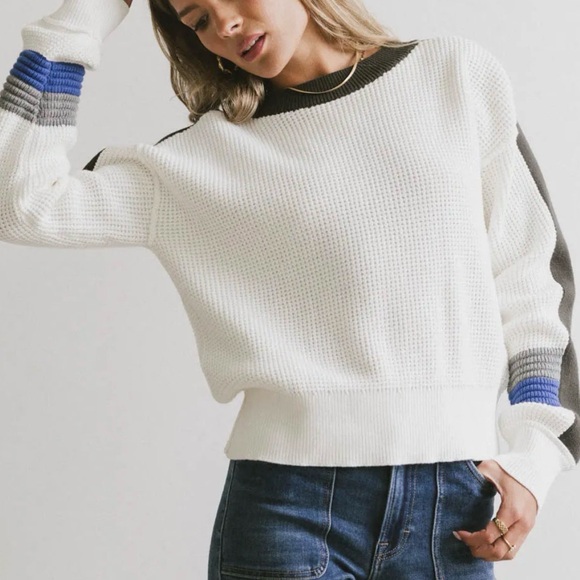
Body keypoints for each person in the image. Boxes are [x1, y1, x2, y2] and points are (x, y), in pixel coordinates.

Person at [0, 0, 578, 577]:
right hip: (286, 508)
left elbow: (530, 277)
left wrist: (535, 453)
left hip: (454, 508)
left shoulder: (454, 75)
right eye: (197, 20)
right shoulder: (198, 160)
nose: (223, 25)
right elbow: (18, 204)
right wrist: (82, 15)